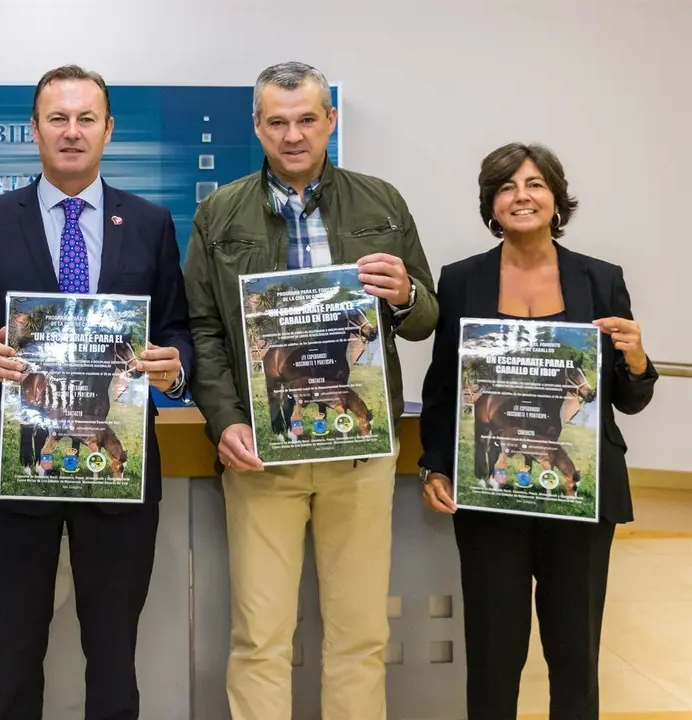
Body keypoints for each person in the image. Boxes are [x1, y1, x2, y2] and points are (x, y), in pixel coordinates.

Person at [182, 61, 438, 719]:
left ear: (330, 120)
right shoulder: (219, 212)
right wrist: (225, 421)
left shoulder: (381, 201)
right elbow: (204, 330)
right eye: (277, 121)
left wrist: (406, 293)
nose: (293, 135)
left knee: (360, 633)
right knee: (260, 637)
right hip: (263, 455)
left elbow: (426, 316)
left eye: (306, 119)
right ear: (257, 127)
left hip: (360, 451)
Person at [0, 65, 194, 720]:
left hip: (117, 470)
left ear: (109, 129)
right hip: (15, 472)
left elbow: (177, 331)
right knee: (15, 657)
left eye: (87, 118)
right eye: (58, 118)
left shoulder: (149, 223)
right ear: (35, 129)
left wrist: (174, 367)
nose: (72, 131)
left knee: (114, 658)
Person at [418, 142, 658, 719]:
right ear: (491, 203)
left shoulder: (600, 280)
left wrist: (637, 359)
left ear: (556, 198)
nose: (520, 196)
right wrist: (435, 462)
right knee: (493, 654)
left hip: (578, 496)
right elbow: (443, 384)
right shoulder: (460, 281)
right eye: (506, 187)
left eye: (534, 184)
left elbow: (628, 401)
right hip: (490, 492)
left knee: (575, 656)